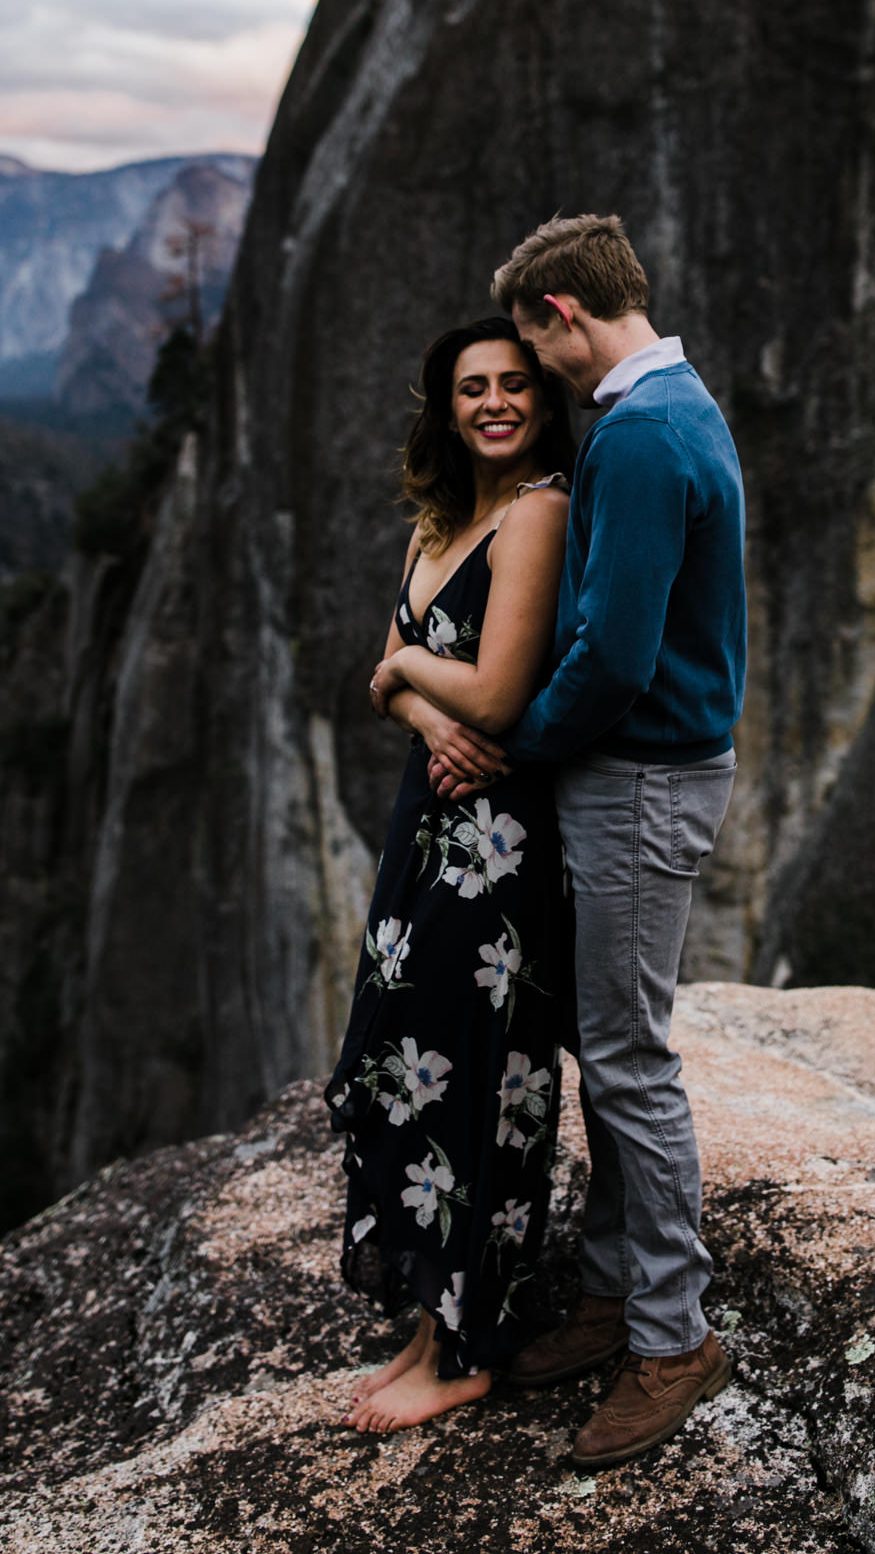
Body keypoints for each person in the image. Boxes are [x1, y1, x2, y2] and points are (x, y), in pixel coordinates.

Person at [432, 216, 747, 1469]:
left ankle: (674, 1337)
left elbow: (614, 652)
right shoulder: (672, 406)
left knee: (627, 1060)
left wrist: (514, 742)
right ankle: (618, 1289)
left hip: (637, 779)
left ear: (560, 310)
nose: (529, 370)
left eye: (528, 342)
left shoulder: (641, 431)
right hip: (646, 775)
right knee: (612, 1041)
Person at [325, 315, 574, 1436]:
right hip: (425, 825)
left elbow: (502, 693)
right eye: (472, 386)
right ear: (447, 403)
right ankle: (429, 1323)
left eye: (514, 383)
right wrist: (422, 691)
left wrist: (413, 675)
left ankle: (469, 1345)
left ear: (540, 396)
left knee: (474, 1070)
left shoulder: (539, 511)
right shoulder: (439, 519)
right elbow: (390, 677)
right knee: (402, 1056)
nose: (493, 402)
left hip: (498, 842)